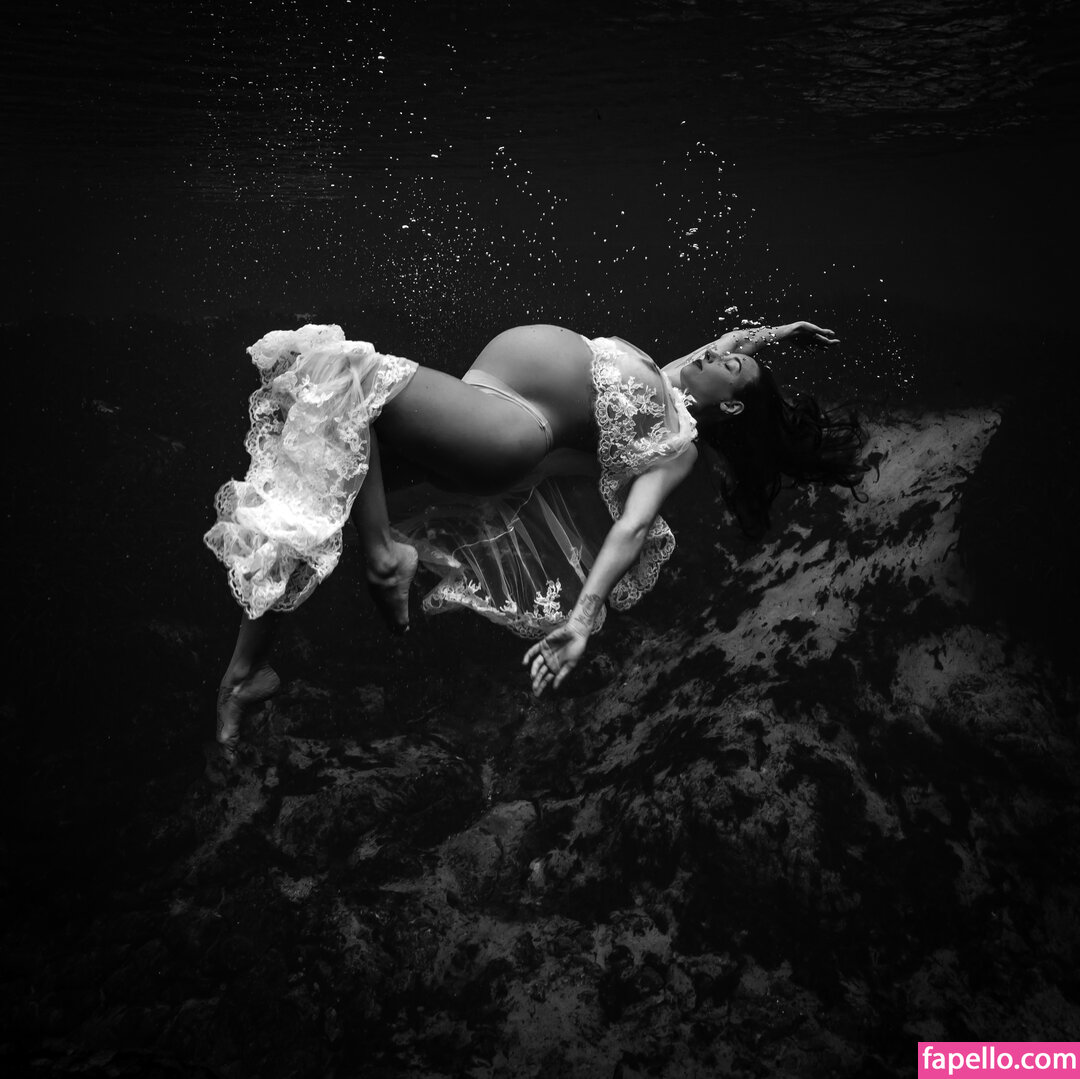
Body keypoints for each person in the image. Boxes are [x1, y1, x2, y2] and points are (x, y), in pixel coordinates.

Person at [205, 320, 865, 753]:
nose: (717, 350)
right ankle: (244, 673)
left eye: (731, 363)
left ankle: (383, 555)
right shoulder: (666, 385)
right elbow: (728, 344)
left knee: (336, 372)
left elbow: (633, 526)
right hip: (479, 410)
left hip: (504, 430)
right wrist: (777, 336)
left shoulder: (677, 443)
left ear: (732, 403)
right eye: (725, 349)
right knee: (316, 467)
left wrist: (580, 621)